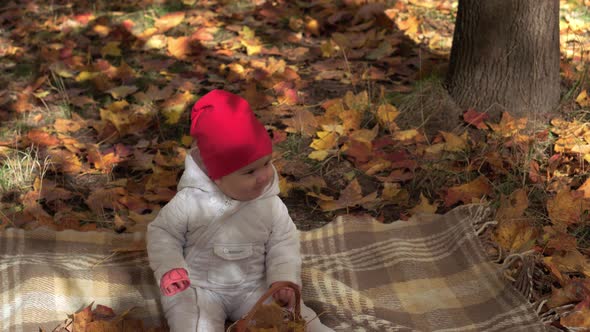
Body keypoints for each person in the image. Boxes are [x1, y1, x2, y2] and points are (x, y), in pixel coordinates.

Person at [147, 90, 333, 331]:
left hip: (253, 285)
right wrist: (171, 268)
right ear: (217, 178)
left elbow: (283, 241)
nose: (263, 177)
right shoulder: (191, 201)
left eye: (266, 163)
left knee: (294, 318)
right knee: (191, 320)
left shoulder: (270, 204)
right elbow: (163, 233)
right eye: (249, 172)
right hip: (201, 287)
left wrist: (283, 279)